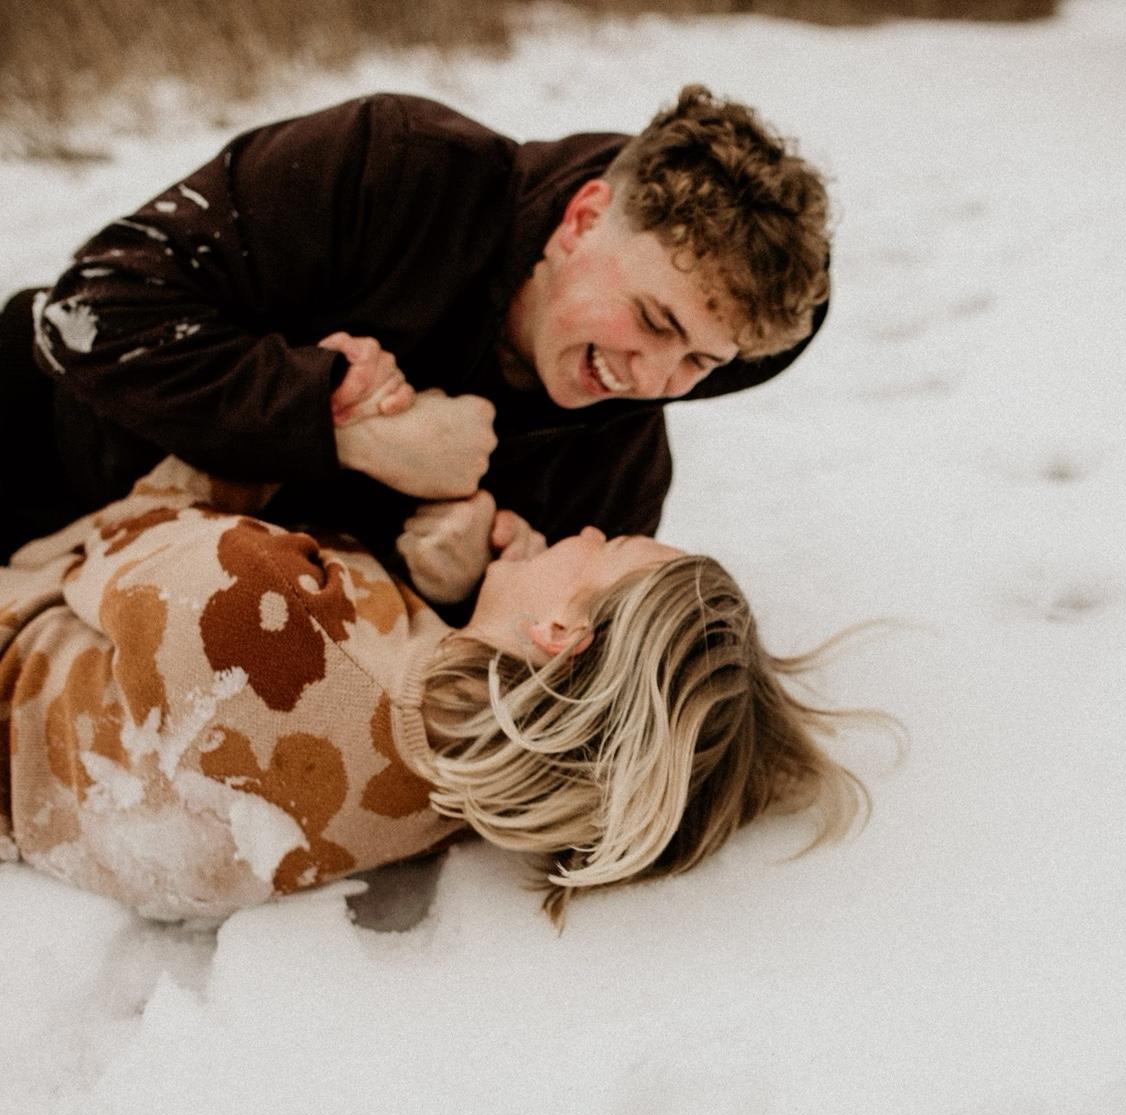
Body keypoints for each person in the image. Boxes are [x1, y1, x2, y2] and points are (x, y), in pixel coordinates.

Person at [0, 85, 832, 602]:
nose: (652, 380)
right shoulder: (393, 168)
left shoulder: (618, 482)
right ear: (583, 220)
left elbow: (522, 700)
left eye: (700, 363)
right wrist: (341, 426)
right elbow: (88, 312)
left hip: (105, 618)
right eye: (653, 320)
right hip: (32, 449)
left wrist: (475, 588)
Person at [0, 453, 865, 927]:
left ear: (559, 633)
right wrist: (462, 596)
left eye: (606, 549)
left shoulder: (271, 618)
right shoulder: (447, 797)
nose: (585, 529)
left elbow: (121, 532)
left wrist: (356, 437)